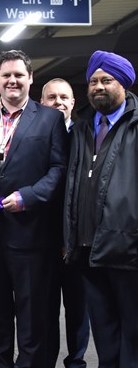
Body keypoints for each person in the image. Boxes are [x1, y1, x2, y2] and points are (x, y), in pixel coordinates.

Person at [0, 49, 68, 368]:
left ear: (30, 79)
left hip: (32, 238)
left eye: (18, 75)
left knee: (33, 321)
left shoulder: (50, 118)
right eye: (6, 75)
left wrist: (27, 196)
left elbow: (57, 170)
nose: (12, 80)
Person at [63, 51, 138, 368]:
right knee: (104, 332)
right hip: (87, 248)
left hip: (128, 250)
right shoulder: (81, 129)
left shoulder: (135, 125)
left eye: (106, 80)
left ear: (123, 83)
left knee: (132, 333)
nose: (98, 87)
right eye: (93, 81)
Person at [40, 78, 90, 368]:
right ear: (42, 103)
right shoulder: (33, 136)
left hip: (76, 239)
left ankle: (77, 361)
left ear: (73, 102)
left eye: (63, 97)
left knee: (77, 307)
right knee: (45, 308)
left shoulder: (85, 135)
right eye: (51, 97)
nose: (57, 102)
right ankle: (46, 360)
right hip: (43, 241)